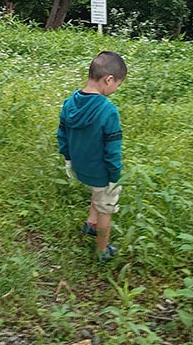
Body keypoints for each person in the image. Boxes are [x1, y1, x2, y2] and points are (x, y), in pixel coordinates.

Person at [57, 50, 127, 262]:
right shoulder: (108, 110)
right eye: (118, 84)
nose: (116, 89)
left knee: (96, 193)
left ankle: (90, 223)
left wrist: (68, 158)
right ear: (109, 79)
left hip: (80, 167)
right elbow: (112, 149)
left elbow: (62, 134)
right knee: (106, 207)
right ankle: (102, 250)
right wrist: (116, 176)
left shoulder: (70, 102)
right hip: (101, 172)